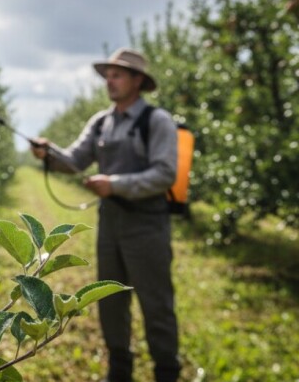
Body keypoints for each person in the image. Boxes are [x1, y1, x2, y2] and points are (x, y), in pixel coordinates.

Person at [31, 48, 181, 382]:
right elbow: (74, 160)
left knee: (155, 303)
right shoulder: (101, 121)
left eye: (118, 75)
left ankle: (167, 371)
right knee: (110, 299)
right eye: (107, 75)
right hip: (110, 224)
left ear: (137, 80)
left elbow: (165, 173)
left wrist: (114, 184)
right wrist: (48, 152)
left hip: (147, 224)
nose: (109, 82)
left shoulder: (157, 121)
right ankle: (119, 369)